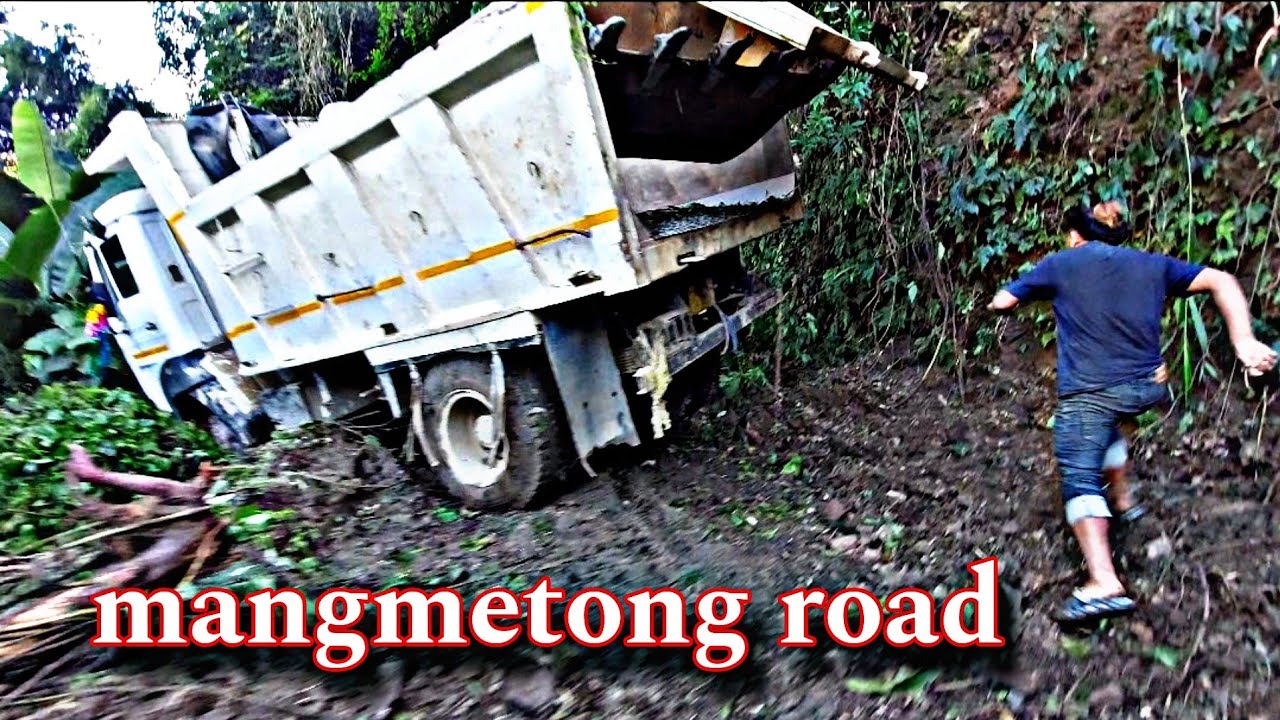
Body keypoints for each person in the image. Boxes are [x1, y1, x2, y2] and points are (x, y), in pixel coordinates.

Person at [988, 200, 1278, 622]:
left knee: (1079, 470)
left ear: (1074, 237)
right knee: (1104, 426)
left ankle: (1104, 582)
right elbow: (1221, 280)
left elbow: (1003, 302)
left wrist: (1016, 295)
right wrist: (1245, 343)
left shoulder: (1062, 262)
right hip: (1146, 388)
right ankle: (1124, 502)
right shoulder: (1151, 264)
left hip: (1092, 390)